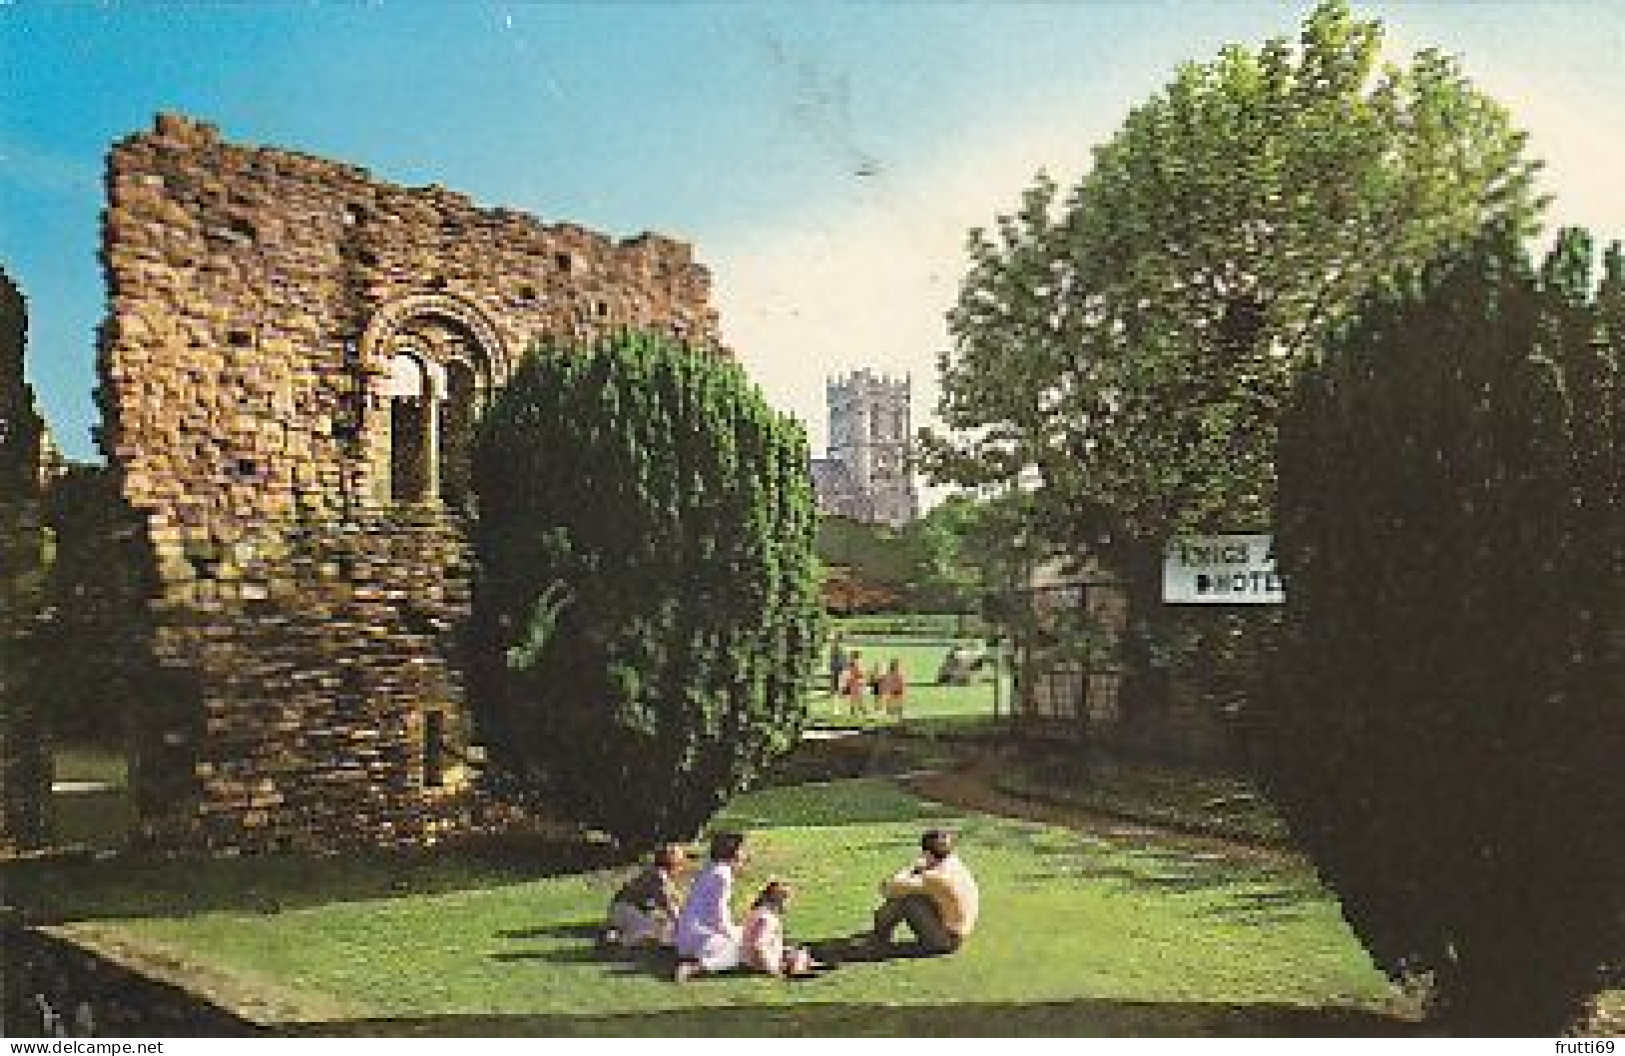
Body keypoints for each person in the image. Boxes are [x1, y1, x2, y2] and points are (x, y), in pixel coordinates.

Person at [871, 829, 979, 955]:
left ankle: (879, 938)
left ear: (927, 853)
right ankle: (879, 935)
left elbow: (887, 889)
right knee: (911, 894)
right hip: (960, 932)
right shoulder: (954, 863)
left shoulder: (933, 877)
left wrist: (911, 869)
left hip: (946, 940)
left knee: (907, 901)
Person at [674, 831, 749, 981]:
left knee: (744, 936)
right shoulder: (722, 874)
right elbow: (718, 915)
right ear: (732, 852)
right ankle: (695, 968)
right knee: (743, 950)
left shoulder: (711, 868)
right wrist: (733, 935)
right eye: (741, 849)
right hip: (699, 936)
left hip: (688, 934)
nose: (744, 853)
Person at [602, 843, 688, 950]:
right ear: (673, 863)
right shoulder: (659, 876)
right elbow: (668, 904)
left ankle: (617, 933)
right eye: (680, 861)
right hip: (627, 909)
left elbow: (676, 900)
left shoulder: (655, 873)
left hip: (624, 909)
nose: (682, 867)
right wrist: (683, 924)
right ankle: (617, 940)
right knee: (655, 935)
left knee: (663, 926)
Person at [741, 880, 821, 977]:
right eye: (787, 899)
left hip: (751, 961)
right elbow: (758, 945)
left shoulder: (757, 912)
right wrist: (772, 969)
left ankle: (807, 964)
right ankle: (798, 970)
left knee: (795, 950)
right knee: (799, 954)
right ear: (778, 900)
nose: (788, 904)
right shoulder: (767, 918)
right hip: (763, 963)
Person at [843, 652, 868, 718]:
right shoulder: (856, 663)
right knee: (856, 698)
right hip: (855, 682)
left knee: (855, 698)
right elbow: (860, 673)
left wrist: (850, 679)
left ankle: (858, 710)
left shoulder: (855, 663)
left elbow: (858, 673)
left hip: (855, 682)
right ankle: (859, 710)